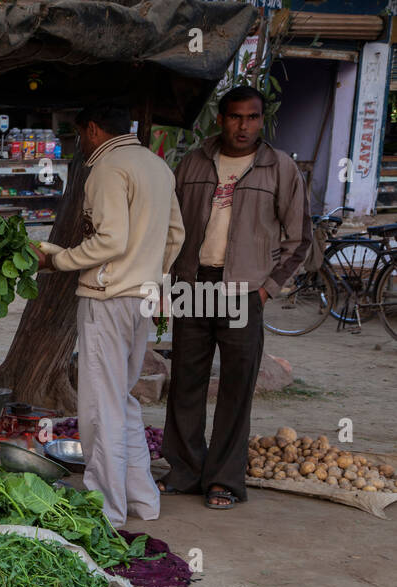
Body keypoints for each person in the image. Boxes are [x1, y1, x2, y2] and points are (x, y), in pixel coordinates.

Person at [161, 86, 313, 510]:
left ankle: (224, 480)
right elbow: (171, 226)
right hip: (193, 285)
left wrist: (267, 287)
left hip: (245, 291)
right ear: (220, 118)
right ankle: (184, 472)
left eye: (251, 118)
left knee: (235, 387)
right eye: (234, 117)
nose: (242, 126)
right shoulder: (193, 162)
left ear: (261, 121)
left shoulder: (279, 168)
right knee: (185, 384)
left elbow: (299, 239)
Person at [34, 104, 184, 530]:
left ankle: (106, 511)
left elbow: (110, 240)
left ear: (94, 130)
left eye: (80, 134)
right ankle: (143, 500)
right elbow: (176, 235)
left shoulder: (106, 167)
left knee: (101, 407)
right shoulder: (157, 167)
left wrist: (60, 260)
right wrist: (152, 272)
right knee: (122, 400)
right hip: (142, 297)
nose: (80, 143)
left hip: (107, 296)